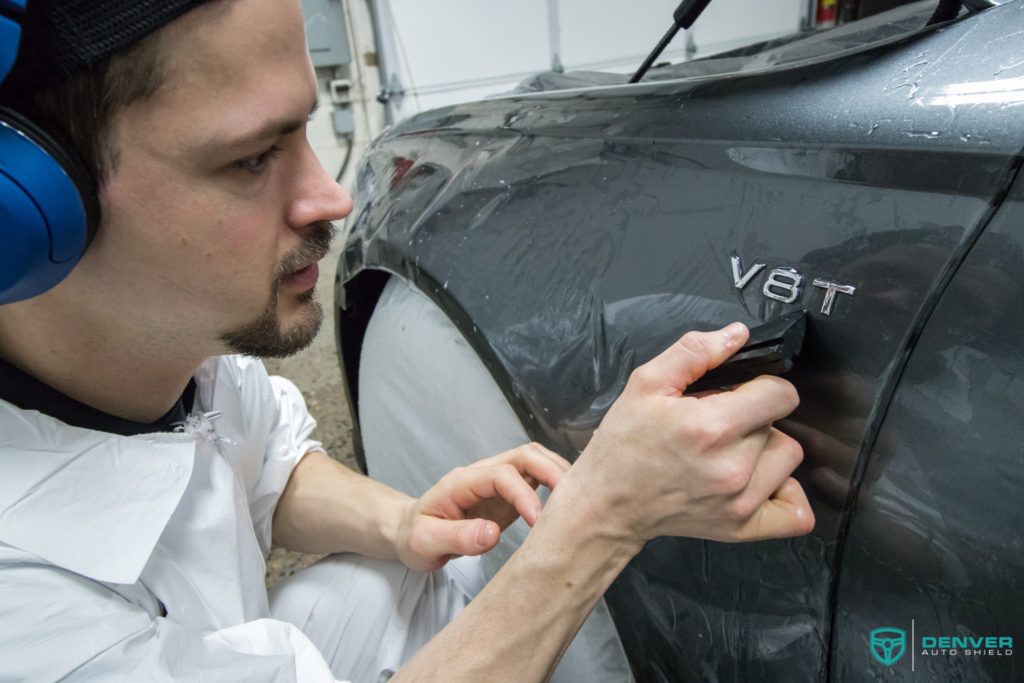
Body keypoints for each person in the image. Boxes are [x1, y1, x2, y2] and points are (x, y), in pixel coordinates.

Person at [0, 1, 814, 680]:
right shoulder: (25, 605)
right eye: (252, 159)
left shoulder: (162, 349)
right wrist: (601, 520)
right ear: (28, 215)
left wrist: (406, 523)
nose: (329, 198)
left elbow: (264, 463)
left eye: (302, 134)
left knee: (413, 575)